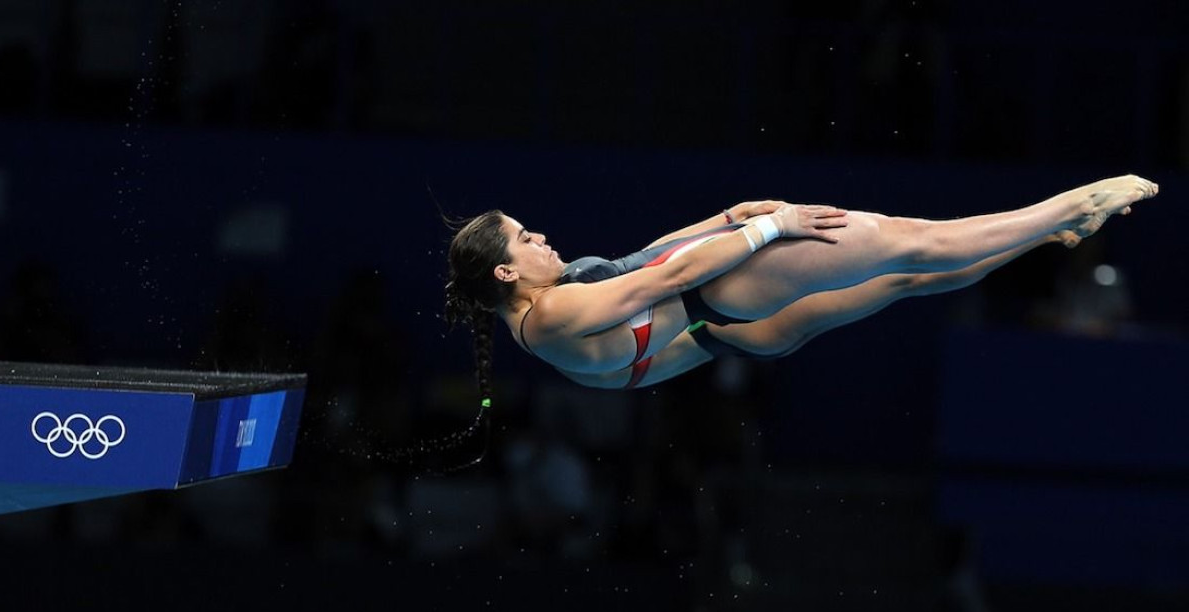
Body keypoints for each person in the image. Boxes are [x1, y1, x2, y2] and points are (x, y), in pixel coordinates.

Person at [444, 175, 1158, 411]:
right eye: (525, 239)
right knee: (909, 239)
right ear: (506, 273)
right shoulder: (557, 311)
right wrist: (770, 229)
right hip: (726, 288)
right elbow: (669, 275)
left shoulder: (542, 322)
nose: (540, 238)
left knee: (907, 276)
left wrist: (723, 219)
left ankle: (1041, 236)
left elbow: (646, 262)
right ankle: (1068, 210)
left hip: (727, 318)